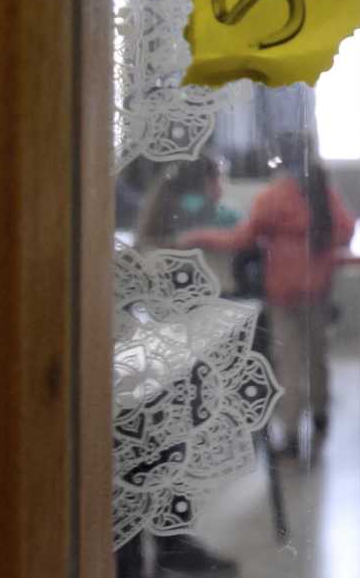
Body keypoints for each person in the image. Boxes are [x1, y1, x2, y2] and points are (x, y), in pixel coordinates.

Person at [182, 129, 353, 465]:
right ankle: (319, 421)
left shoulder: (273, 197)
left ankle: (290, 436)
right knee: (317, 358)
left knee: (288, 363)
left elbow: (241, 239)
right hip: (317, 289)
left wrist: (197, 236)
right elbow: (345, 230)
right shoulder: (324, 193)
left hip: (283, 293)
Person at [124, 156, 240, 578]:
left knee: (163, 453)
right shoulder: (199, 215)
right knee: (163, 454)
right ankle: (162, 548)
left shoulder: (161, 213)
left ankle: (164, 546)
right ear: (206, 181)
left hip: (159, 356)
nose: (222, 186)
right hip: (171, 355)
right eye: (219, 177)